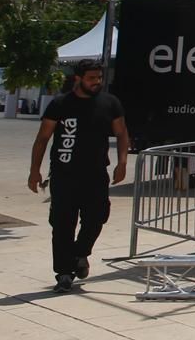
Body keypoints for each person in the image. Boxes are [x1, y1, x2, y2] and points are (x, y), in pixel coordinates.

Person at [28, 65, 128, 292]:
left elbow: (122, 133)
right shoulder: (61, 104)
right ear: (78, 78)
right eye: (92, 78)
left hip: (95, 175)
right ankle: (64, 273)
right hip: (64, 175)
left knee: (97, 217)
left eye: (100, 78)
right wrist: (35, 170)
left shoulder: (110, 103)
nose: (97, 82)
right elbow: (43, 138)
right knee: (62, 224)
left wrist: (122, 163)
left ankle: (80, 253)